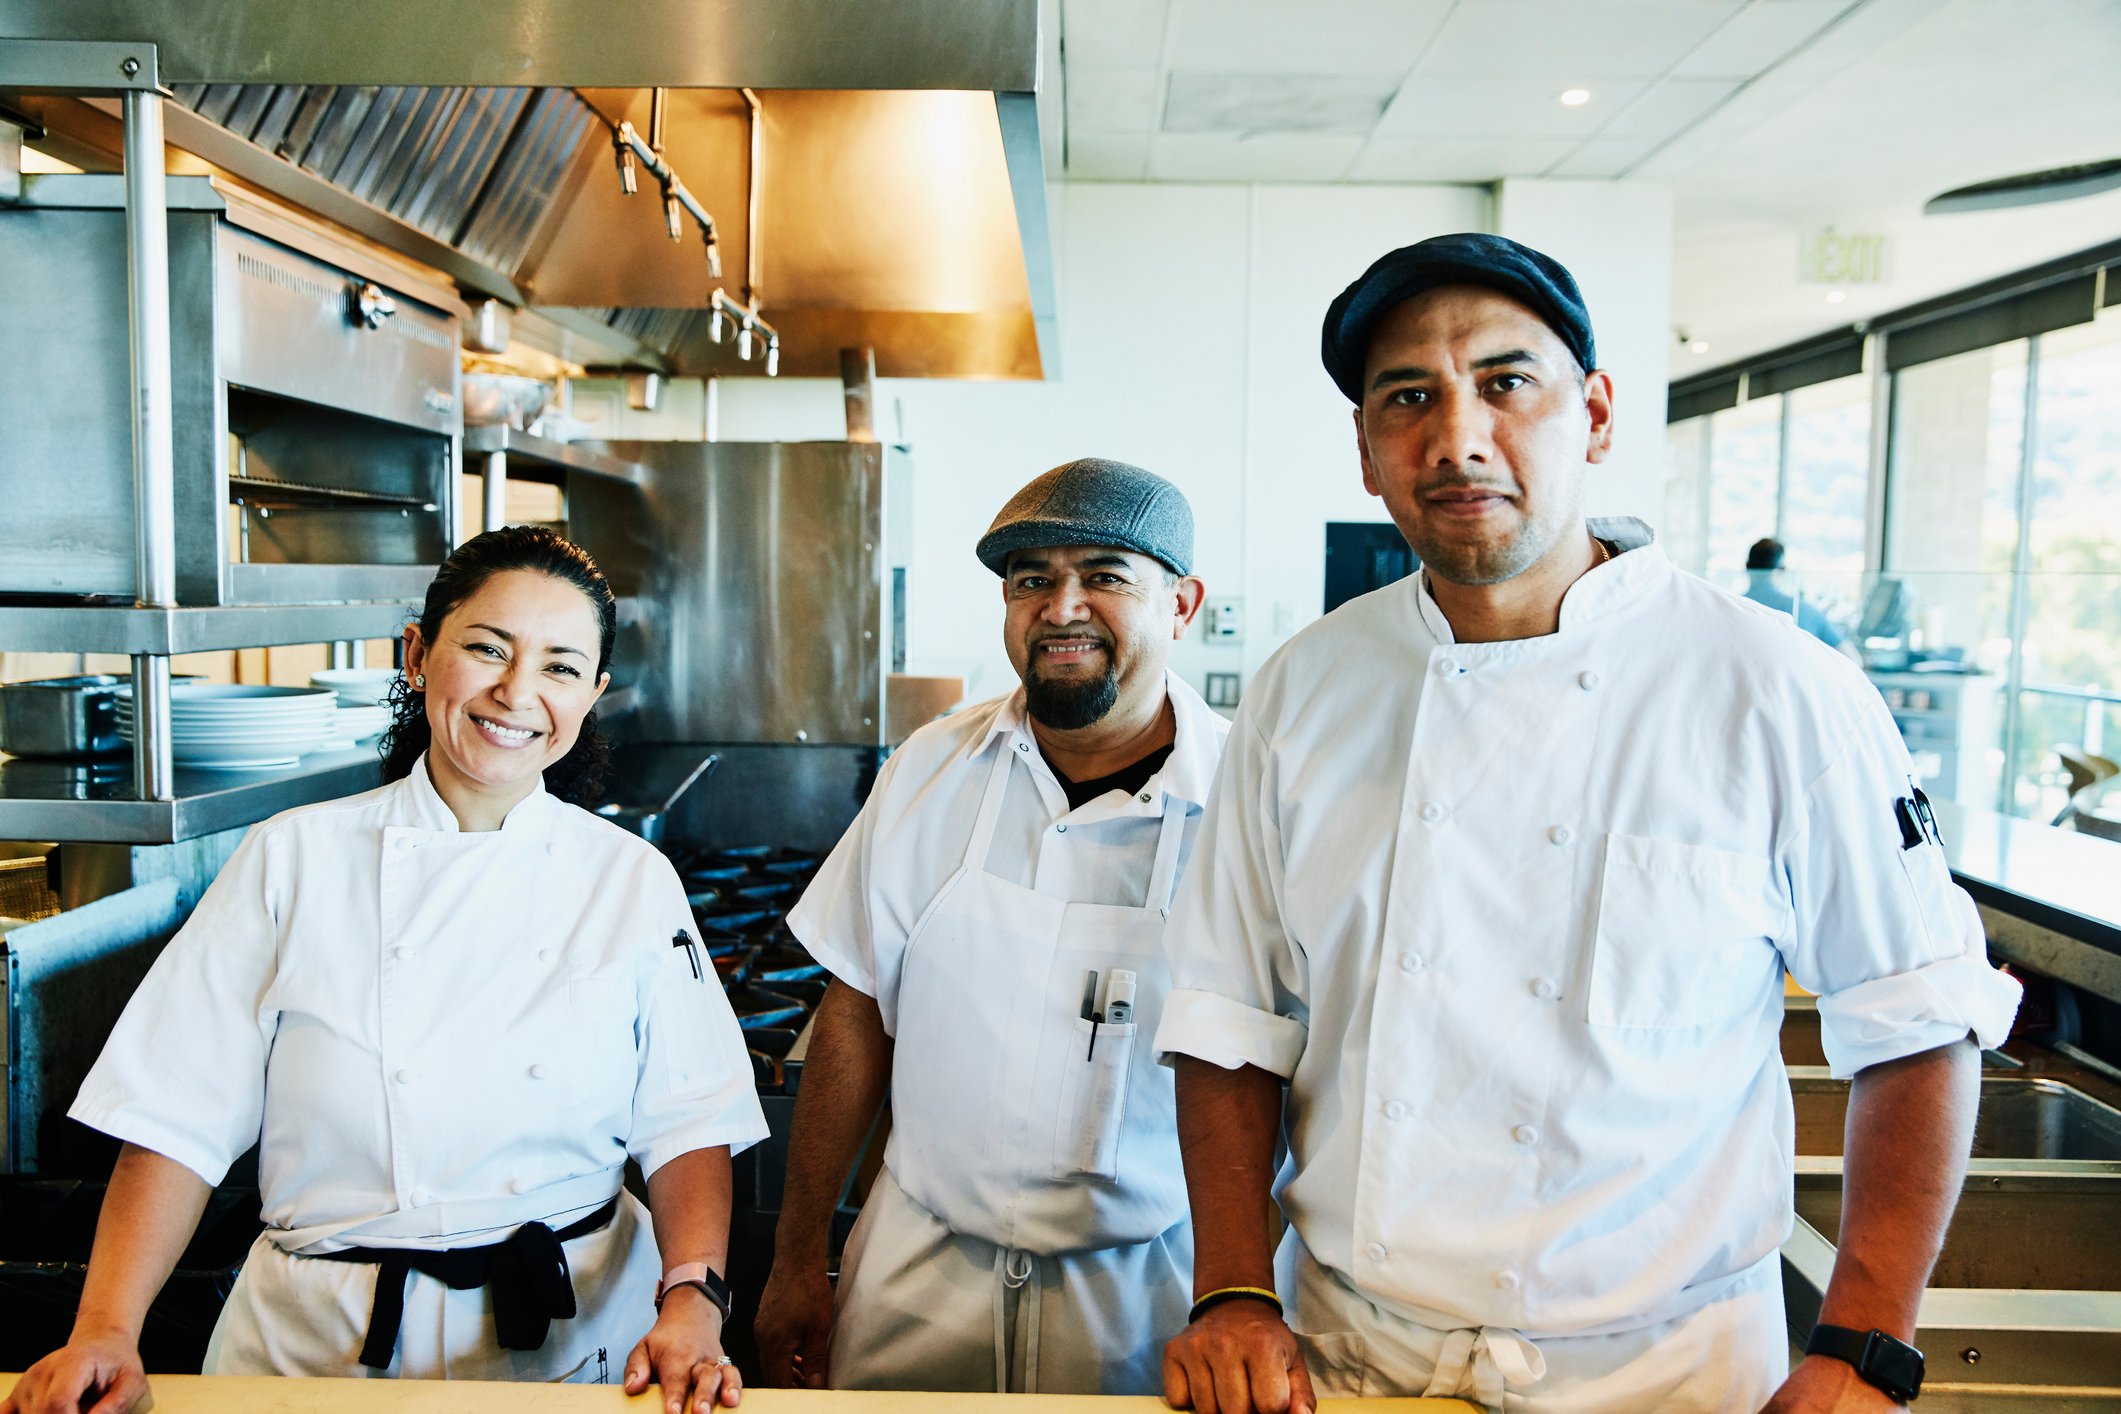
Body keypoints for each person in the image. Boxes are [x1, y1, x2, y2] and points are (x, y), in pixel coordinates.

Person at [1153, 234, 2022, 1414]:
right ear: (1366, 451)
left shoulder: (1774, 688)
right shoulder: (1302, 694)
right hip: (1357, 1358)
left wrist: (1866, 1344)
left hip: (1673, 1373)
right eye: (1408, 397)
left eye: (1506, 384)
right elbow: (1229, 1020)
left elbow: (1917, 1018)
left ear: (1597, 414)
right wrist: (1232, 1290)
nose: (1457, 439)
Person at [4, 527, 766, 1414]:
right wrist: (106, 1326)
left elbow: (687, 1123)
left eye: (560, 667)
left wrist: (691, 1303)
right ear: (417, 654)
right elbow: (175, 1115)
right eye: (486, 648)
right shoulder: (292, 858)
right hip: (313, 1347)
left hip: (575, 1344)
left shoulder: (628, 879)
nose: (517, 692)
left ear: (592, 695)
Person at [752, 458, 1224, 1395]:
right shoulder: (932, 766)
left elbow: (1297, 1071)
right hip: (917, 1278)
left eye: (1104, 575)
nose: (1061, 608)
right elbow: (853, 1013)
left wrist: (1252, 1294)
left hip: (1152, 1299)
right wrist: (799, 1258)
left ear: (1182, 604)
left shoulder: (1250, 798)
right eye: (1031, 581)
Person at [1743, 537, 1847, 648]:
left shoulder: (1730, 606)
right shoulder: (1806, 611)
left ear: (1747, 566)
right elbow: (1852, 657)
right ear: (1782, 570)